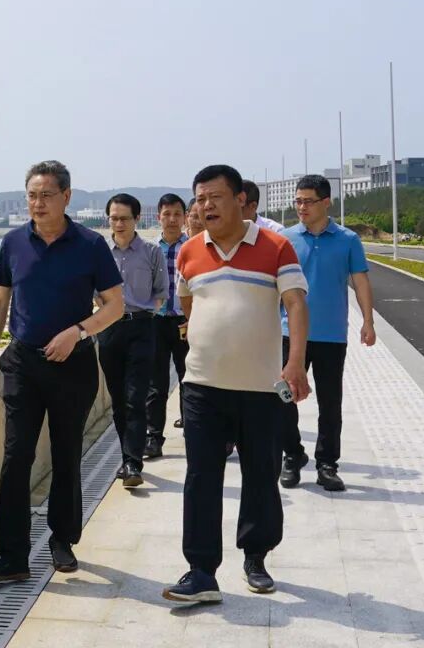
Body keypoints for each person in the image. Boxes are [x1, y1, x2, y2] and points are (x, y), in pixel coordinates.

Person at [163, 164, 310, 604]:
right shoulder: (190, 251)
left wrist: (295, 363)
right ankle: (201, 571)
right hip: (201, 386)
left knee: (261, 474)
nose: (206, 206)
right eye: (200, 199)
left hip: (261, 388)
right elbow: (187, 302)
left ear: (240, 201)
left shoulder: (276, 246)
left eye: (216, 197)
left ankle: (256, 557)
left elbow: (295, 304)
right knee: (200, 476)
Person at [0, 160, 124, 583]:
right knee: (16, 456)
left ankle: (62, 541)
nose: (37, 203)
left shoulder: (90, 245)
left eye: (46, 195)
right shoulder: (13, 242)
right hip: (23, 363)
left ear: (66, 197)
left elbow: (115, 305)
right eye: (31, 196)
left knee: (66, 454)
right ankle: (12, 556)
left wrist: (77, 332)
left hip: (73, 365)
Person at [278, 174, 376, 492]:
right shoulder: (286, 239)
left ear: (326, 202)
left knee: (330, 403)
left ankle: (327, 464)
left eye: (308, 201)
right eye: (298, 201)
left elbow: (360, 281)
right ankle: (292, 454)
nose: (301, 207)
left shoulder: (348, 240)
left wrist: (368, 321)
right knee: (283, 398)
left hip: (331, 335)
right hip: (290, 333)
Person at [98, 193, 166, 486]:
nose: (119, 224)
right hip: (109, 329)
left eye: (124, 218)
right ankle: (128, 457)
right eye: (114, 218)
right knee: (118, 400)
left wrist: (147, 312)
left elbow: (161, 292)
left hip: (141, 327)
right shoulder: (101, 253)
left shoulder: (151, 252)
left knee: (135, 397)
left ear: (137, 219)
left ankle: (132, 463)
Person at [146, 194, 189, 445]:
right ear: (158, 217)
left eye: (177, 214)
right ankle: (153, 437)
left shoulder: (193, 247)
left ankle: (191, 432)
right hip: (156, 322)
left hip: (186, 321)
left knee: (189, 380)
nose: (172, 219)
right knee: (156, 383)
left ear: (185, 217)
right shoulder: (150, 249)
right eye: (167, 214)